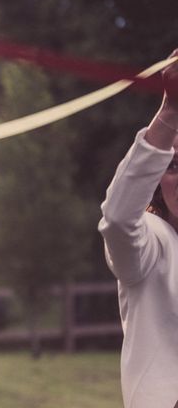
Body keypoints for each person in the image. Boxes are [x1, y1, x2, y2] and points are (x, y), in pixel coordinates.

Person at [98, 49, 178, 408]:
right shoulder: (155, 243)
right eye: (174, 165)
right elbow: (118, 219)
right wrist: (170, 114)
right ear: (159, 179)